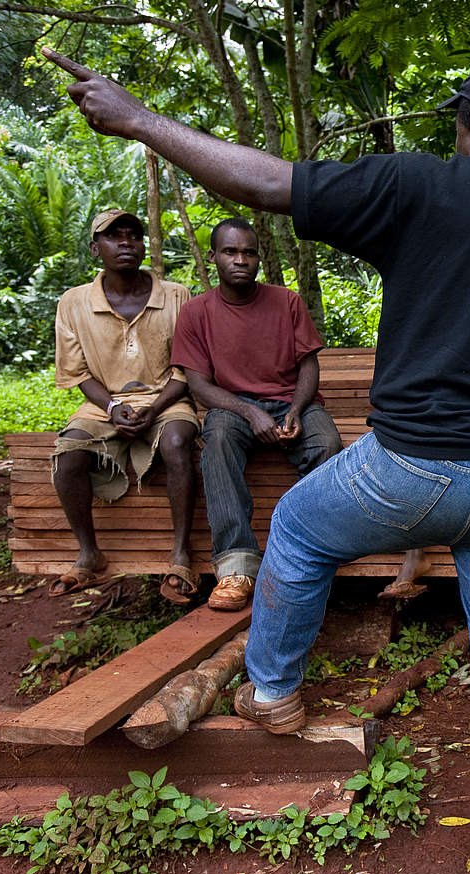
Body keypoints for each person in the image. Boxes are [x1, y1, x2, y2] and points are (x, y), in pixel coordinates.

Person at [45, 50, 470, 874]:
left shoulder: (426, 184)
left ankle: (274, 689)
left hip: (413, 468)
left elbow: (270, 183)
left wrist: (139, 120)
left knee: (303, 529)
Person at [171, 217, 343, 611]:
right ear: (213, 256)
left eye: (249, 252)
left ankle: (312, 552)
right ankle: (237, 566)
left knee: (327, 444)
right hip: (233, 406)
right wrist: (249, 412)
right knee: (216, 443)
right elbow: (199, 385)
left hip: (291, 401)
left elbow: (309, 367)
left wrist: (296, 410)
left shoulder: (287, 302)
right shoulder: (197, 313)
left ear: (259, 259)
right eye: (230, 252)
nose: (240, 260)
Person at [50, 209, 199, 602]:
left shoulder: (176, 295)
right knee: (69, 455)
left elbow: (189, 366)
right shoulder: (74, 302)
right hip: (105, 403)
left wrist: (154, 408)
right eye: (114, 236)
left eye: (134, 235)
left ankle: (181, 552)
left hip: (167, 397)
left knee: (179, 442)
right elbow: (77, 372)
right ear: (95, 248)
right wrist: (114, 407)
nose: (126, 242)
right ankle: (89, 553)